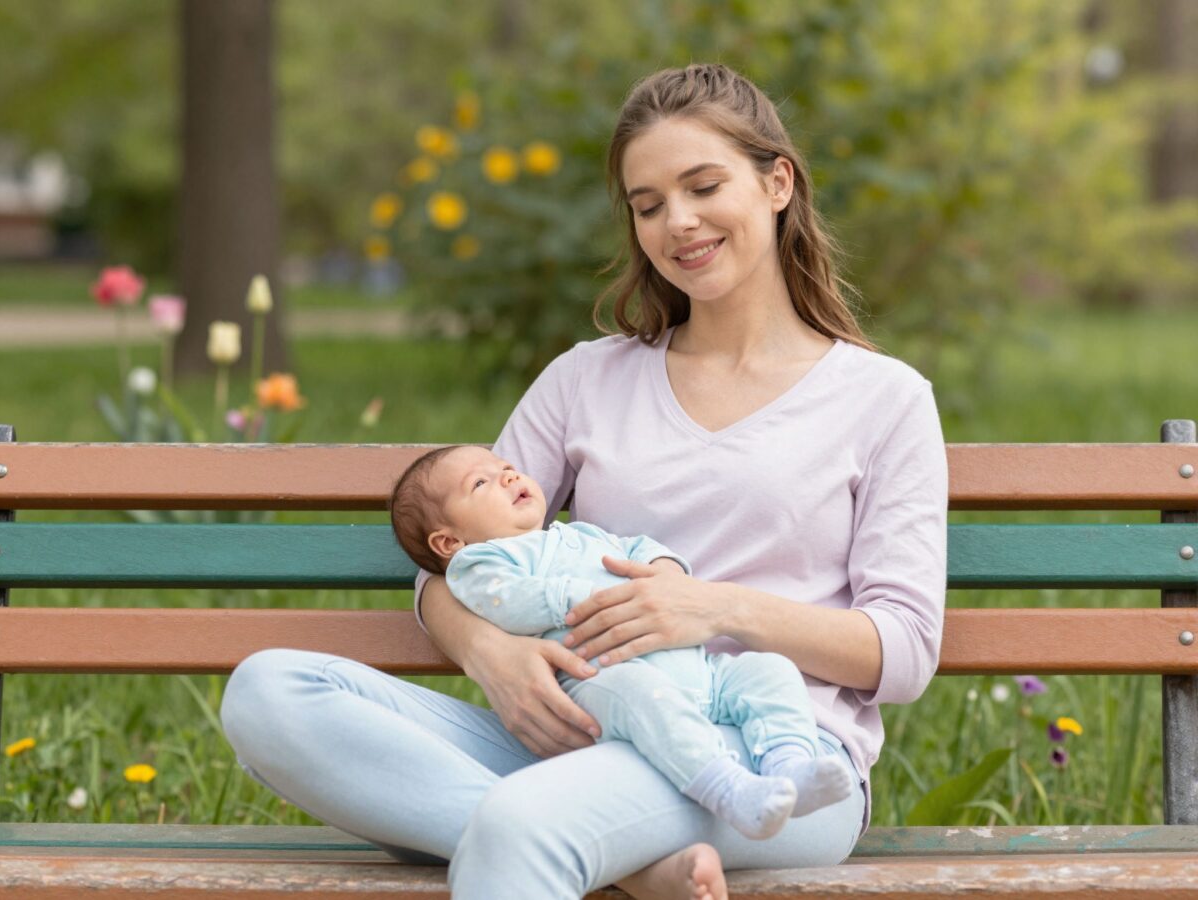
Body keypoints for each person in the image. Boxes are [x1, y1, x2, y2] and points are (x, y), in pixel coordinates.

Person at [220, 62, 947, 900]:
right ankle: (634, 868)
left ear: (777, 182)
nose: (679, 222)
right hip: (586, 736)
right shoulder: (586, 380)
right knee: (269, 692)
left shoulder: (883, 399)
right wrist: (492, 655)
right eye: (647, 205)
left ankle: (578, 846)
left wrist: (715, 606)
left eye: (704, 185)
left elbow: (903, 650)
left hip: (773, 756)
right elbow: (449, 563)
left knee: (523, 825)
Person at [391, 443, 858, 841]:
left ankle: (790, 763)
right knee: (643, 698)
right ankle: (729, 790)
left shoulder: (579, 535)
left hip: (696, 669)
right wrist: (578, 596)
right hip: (601, 678)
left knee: (768, 671)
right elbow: (508, 602)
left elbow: (637, 548)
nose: (508, 474)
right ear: (449, 542)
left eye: (505, 467)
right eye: (481, 483)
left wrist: (667, 573)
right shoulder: (481, 563)